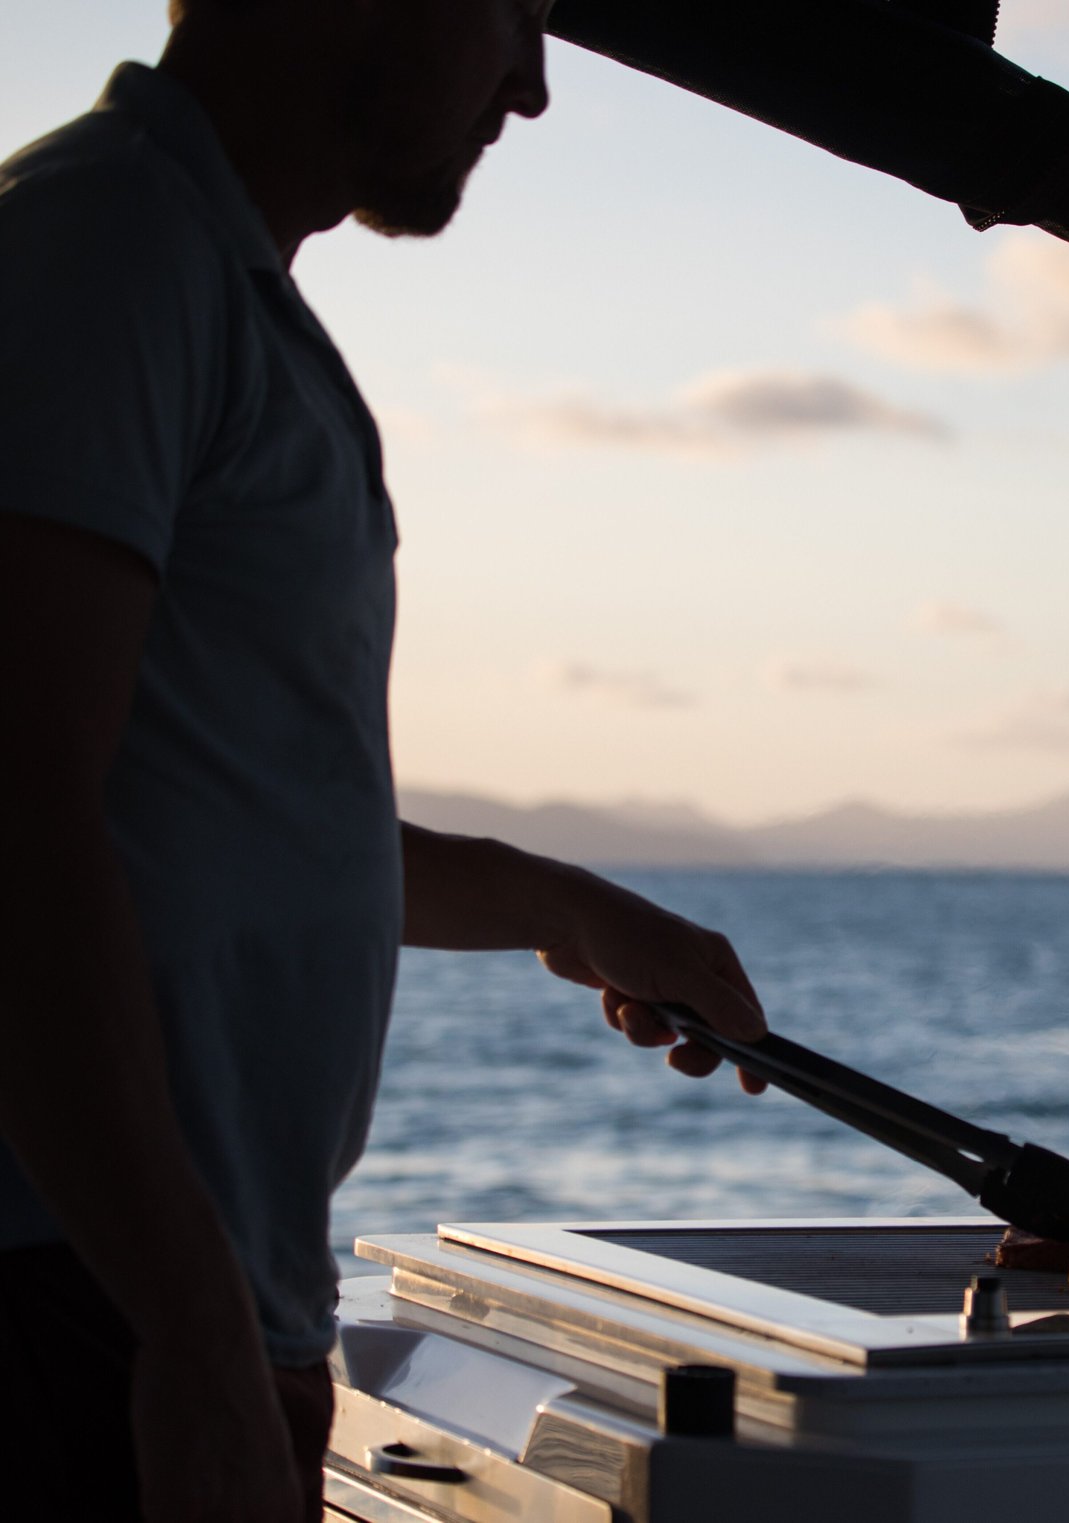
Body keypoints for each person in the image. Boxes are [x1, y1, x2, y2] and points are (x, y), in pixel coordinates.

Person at [0, 3, 767, 1519]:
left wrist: (567, 906)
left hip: (152, 1310)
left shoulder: (207, 282)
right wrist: (192, 1330)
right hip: (71, 1319)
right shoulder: (106, 248)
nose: (533, 89)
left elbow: (218, 807)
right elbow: (16, 810)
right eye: (516, 15)